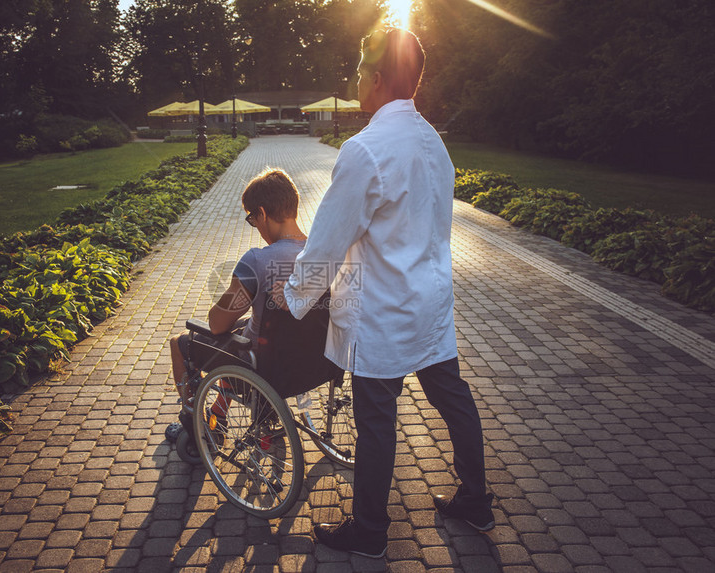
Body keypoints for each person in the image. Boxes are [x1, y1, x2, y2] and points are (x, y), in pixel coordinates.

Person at [273, 28, 494, 559]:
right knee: (453, 398)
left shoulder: (365, 150)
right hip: (431, 302)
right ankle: (476, 500)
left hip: (383, 311)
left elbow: (328, 241)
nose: (352, 79)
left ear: (374, 80)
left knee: (376, 420)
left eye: (356, 70)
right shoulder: (433, 143)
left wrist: (292, 297)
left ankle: (370, 531)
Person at [169, 168, 307, 431]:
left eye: (252, 219)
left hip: (262, 365)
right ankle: (218, 412)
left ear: (263, 213)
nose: (255, 227)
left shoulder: (257, 261)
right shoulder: (319, 254)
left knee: (181, 343)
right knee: (240, 332)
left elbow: (217, 325)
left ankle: (194, 423)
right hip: (307, 361)